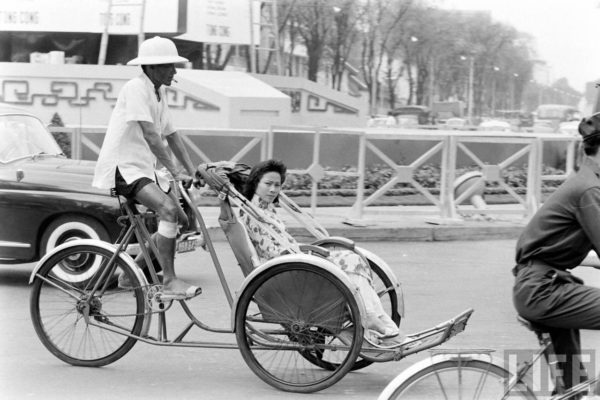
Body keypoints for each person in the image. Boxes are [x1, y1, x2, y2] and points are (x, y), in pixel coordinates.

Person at [216, 159, 403, 343]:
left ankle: (373, 315)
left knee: (353, 258)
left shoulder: (266, 209)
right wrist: (308, 256)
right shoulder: (252, 214)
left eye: (277, 185)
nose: (273, 190)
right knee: (349, 260)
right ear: (255, 184)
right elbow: (274, 252)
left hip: (293, 261)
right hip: (285, 270)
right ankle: (369, 316)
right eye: (268, 184)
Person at [93, 36, 201, 300]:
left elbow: (172, 134)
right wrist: (175, 171)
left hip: (143, 168)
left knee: (182, 219)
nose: (175, 72)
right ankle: (169, 280)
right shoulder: (135, 88)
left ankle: (131, 273)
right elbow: (153, 136)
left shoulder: (158, 92)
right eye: (169, 66)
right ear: (151, 68)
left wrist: (193, 171)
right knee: (167, 210)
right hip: (123, 168)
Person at [513, 114, 600, 397]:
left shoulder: (585, 181)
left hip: (541, 284)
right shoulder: (589, 188)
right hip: (544, 291)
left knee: (572, 387)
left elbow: (550, 246)